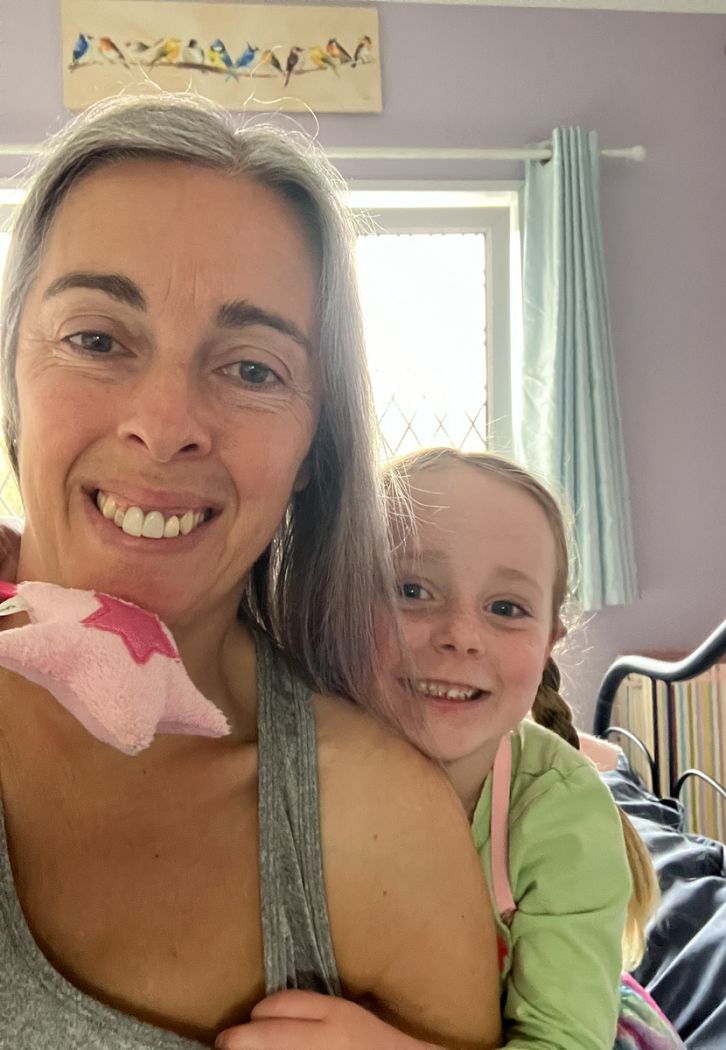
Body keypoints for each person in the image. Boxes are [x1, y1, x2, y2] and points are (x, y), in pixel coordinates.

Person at [0, 96, 502, 1049]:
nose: (164, 425)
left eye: (253, 369)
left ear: (314, 445)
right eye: (97, 339)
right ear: (12, 382)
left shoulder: (381, 831)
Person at [217, 447, 684, 1050]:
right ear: (338, 604)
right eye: (412, 590)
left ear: (548, 642)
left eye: (506, 608)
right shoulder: (287, 757)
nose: (461, 635)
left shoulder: (560, 818)